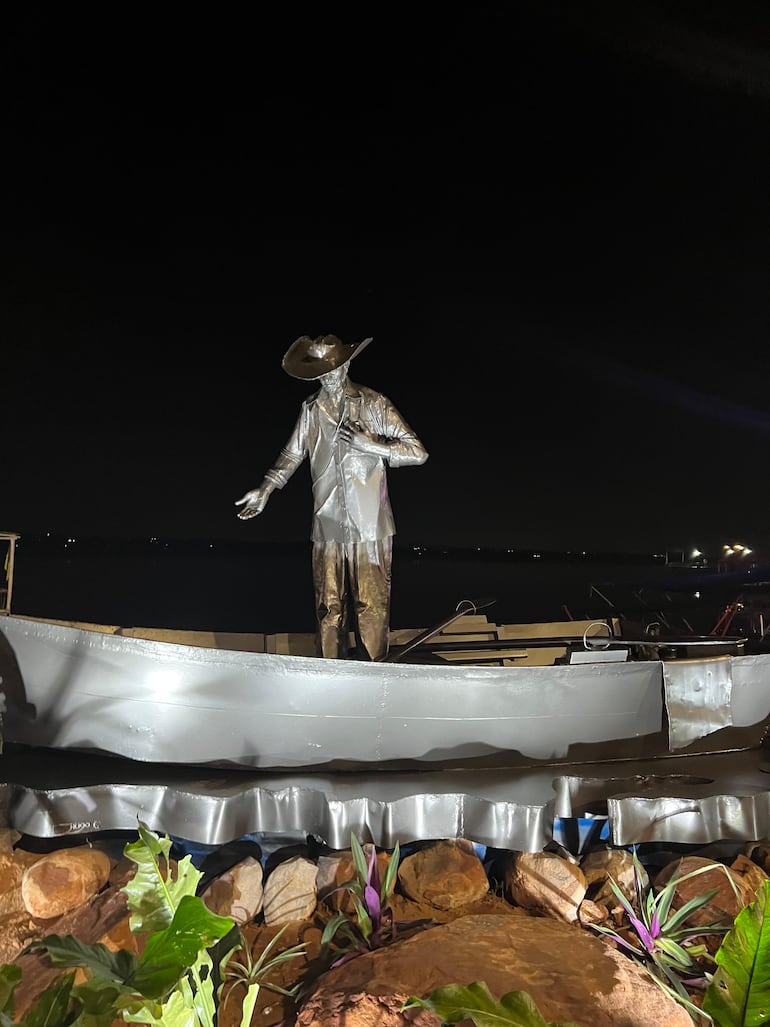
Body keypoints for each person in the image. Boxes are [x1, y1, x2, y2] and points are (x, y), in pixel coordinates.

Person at [235, 333, 428, 661]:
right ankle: (330, 674)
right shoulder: (311, 409)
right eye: (321, 372)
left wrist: (373, 446)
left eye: (334, 369)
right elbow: (292, 454)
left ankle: (374, 673)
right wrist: (266, 488)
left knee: (372, 608)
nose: (329, 377)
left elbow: (418, 452)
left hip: (371, 526)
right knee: (328, 609)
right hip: (327, 525)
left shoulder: (374, 403)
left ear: (347, 364)